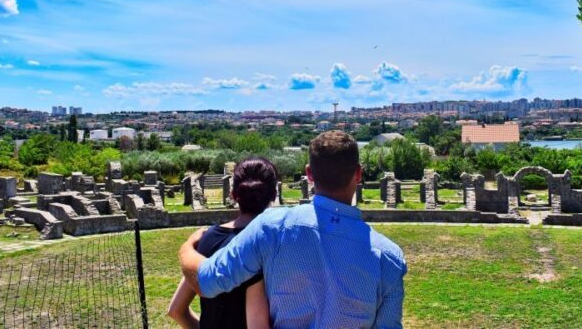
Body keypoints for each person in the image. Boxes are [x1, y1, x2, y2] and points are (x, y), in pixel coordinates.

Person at [179, 130, 407, 328]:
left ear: (309, 174)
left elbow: (207, 281)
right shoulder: (389, 258)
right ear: (358, 174)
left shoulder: (271, 228)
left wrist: (187, 249)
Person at [167, 157, 277, 329]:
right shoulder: (272, 242)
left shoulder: (205, 239)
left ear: (233, 195)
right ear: (274, 195)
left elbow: (176, 310)